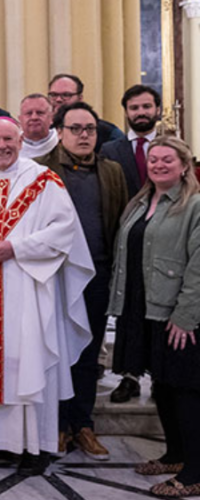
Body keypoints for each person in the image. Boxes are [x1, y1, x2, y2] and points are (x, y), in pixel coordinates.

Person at [0, 117, 93, 477]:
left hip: (27, 286)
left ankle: (35, 445)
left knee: (27, 361)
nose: (2, 146)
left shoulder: (44, 181)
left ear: (21, 139)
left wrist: (17, 248)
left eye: (8, 139)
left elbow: (63, 230)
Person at [107, 136, 200, 497]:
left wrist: (187, 316)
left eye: (167, 160)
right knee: (161, 385)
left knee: (185, 389)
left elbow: (198, 266)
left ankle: (193, 471)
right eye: (154, 160)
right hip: (144, 307)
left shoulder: (193, 205)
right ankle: (174, 455)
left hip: (176, 313)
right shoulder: (141, 201)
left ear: (184, 165)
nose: (159, 165)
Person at [35, 101, 128, 460]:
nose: (84, 135)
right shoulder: (41, 171)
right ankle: (57, 425)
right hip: (53, 277)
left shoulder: (112, 172)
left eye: (90, 128)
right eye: (75, 129)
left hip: (97, 275)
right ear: (59, 133)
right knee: (55, 350)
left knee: (88, 353)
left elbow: (120, 218)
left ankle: (83, 424)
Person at [102, 84, 164, 403]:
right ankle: (129, 376)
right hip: (125, 242)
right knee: (128, 313)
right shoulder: (112, 151)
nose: (140, 113)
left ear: (158, 110)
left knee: (160, 310)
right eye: (134, 108)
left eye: (146, 107)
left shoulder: (171, 147)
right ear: (125, 112)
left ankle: (162, 376)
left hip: (165, 245)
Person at [48, 74, 124, 153]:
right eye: (53, 95)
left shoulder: (107, 132)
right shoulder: (42, 130)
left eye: (66, 95)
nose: (58, 99)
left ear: (80, 98)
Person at [18, 94, 58, 160]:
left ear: (51, 118)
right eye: (29, 113)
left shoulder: (63, 144)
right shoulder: (11, 147)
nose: (34, 117)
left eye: (40, 113)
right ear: (20, 119)